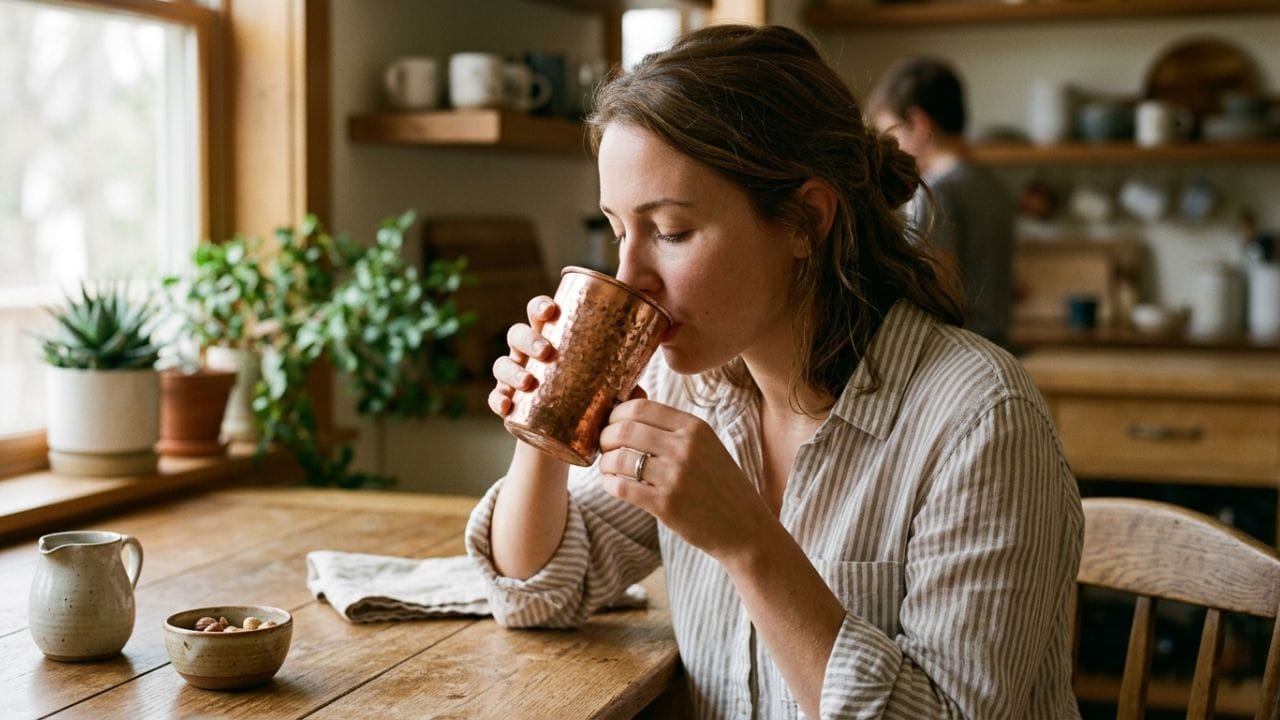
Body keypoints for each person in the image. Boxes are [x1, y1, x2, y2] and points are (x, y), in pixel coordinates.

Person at [467, 24, 1082, 720]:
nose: (630, 276)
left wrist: (748, 541)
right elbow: (537, 590)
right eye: (617, 230)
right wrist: (542, 422)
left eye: (669, 231)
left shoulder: (979, 422)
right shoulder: (688, 387)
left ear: (804, 220)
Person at [868, 58, 1017, 349]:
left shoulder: (934, 192)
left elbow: (936, 291)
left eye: (893, 134)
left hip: (955, 356)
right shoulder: (995, 186)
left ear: (919, 124)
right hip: (998, 347)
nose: (892, 149)